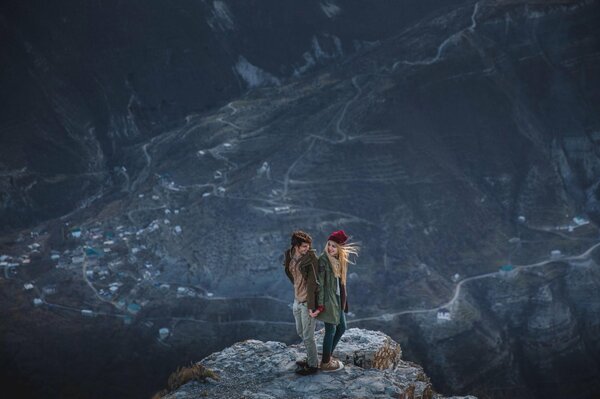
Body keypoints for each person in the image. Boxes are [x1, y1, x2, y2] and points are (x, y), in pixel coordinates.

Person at [309, 230, 359, 372]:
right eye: (329, 245)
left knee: (342, 328)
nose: (330, 248)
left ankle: (327, 355)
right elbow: (321, 286)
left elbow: (341, 285)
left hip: (337, 300)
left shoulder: (339, 261)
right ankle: (325, 363)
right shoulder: (323, 261)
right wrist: (320, 305)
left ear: (340, 249)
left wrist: (343, 302)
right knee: (330, 330)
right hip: (328, 301)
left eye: (334, 246)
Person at [283, 230, 321, 375]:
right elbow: (288, 271)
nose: (307, 249)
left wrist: (312, 306)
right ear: (296, 246)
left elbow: (313, 284)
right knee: (301, 332)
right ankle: (311, 358)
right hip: (296, 300)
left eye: (308, 246)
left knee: (308, 336)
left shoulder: (311, 259)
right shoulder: (289, 255)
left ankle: (312, 366)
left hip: (308, 302)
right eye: (304, 246)